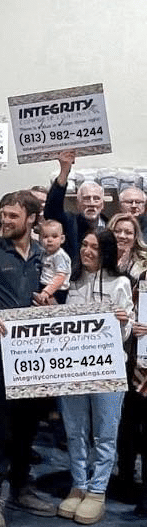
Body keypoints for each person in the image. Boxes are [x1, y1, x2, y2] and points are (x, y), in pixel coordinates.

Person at [0, 190, 56, 527]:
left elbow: (57, 293)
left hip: (36, 357)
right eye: (3, 214)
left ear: (32, 219)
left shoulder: (47, 256)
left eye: (13, 216)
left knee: (28, 425)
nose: (5, 220)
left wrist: (50, 308)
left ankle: (20, 488)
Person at [57, 230, 133, 525]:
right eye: (85, 245)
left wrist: (123, 323)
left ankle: (98, 490)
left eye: (95, 247)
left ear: (107, 252)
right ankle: (79, 483)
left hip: (108, 368)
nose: (87, 251)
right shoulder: (71, 281)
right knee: (74, 429)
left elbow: (126, 330)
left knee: (105, 431)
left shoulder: (120, 283)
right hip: (72, 368)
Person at [106, 212, 147, 509]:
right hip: (112, 353)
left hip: (141, 355)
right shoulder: (99, 265)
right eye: (117, 231)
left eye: (128, 232)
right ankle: (123, 473)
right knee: (121, 419)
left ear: (136, 236)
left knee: (140, 415)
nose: (122, 236)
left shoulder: (146, 266)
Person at [44, 151, 105, 261]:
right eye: (86, 198)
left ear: (102, 204)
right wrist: (64, 172)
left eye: (96, 199)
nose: (91, 203)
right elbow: (51, 211)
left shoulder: (110, 225)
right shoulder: (69, 222)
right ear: (78, 204)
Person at [37, 219, 72, 305]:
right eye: (45, 237)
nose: (49, 240)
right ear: (40, 239)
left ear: (62, 239)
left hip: (57, 291)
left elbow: (60, 277)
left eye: (54, 236)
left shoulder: (60, 255)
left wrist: (47, 291)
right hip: (45, 287)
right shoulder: (45, 253)